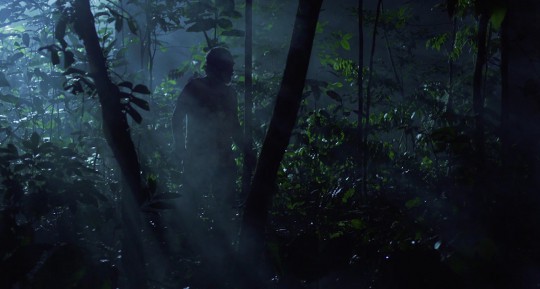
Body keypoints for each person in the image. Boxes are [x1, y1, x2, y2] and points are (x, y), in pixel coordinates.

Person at [172, 46, 242, 213]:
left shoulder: (228, 93)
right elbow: (177, 117)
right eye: (229, 68)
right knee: (193, 204)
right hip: (199, 155)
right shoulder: (196, 88)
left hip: (219, 155)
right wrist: (180, 147)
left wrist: (246, 148)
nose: (232, 72)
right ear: (219, 68)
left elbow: (234, 124)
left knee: (224, 205)